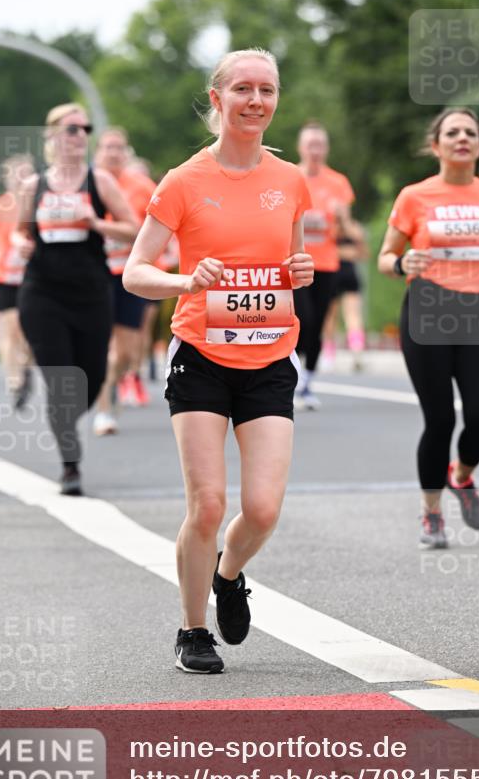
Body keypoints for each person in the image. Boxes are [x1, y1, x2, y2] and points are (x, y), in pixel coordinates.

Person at [123, 48, 314, 673]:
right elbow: (135, 273)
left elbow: (291, 260)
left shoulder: (290, 182)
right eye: (243, 90)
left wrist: (301, 271)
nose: (256, 100)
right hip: (200, 356)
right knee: (207, 504)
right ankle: (192, 629)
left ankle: (229, 575)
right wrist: (186, 282)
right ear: (217, 98)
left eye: (267, 89)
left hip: (269, 357)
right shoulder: (183, 182)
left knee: (262, 509)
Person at [16, 103, 136, 495]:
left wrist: (96, 223)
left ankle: (62, 419)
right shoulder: (34, 186)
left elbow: (134, 229)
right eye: (71, 129)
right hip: (43, 294)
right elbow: (21, 231)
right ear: (51, 136)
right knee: (62, 383)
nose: (79, 135)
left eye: (84, 128)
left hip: (91, 293)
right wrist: (21, 245)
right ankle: (71, 465)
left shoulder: (99, 181)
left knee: (94, 375)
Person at [92, 127, 151, 435]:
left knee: (126, 352)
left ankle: (112, 384)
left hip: (131, 275)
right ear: (98, 152)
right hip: (96, 275)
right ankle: (102, 410)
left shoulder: (142, 186)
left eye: (119, 148)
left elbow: (161, 223)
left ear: (126, 153)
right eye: (107, 147)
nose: (113, 153)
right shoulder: (86, 184)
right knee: (103, 345)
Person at [294, 122, 356, 409]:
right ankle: (290, 376)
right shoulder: (290, 177)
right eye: (310, 145)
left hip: (327, 263)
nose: (315, 151)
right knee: (300, 320)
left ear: (326, 149)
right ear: (301, 148)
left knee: (317, 324)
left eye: (319, 145)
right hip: (295, 262)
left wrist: (342, 219)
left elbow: (347, 230)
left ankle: (306, 382)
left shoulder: (338, 183)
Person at [0, 154, 34, 407]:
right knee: (9, 327)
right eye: (17, 173)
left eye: (27, 172)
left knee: (28, 329)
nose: (22, 178)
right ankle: (14, 381)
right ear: (7, 177)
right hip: (4, 275)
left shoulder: (37, 203)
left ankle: (25, 366)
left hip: (31, 275)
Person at [321, 216, 369, 371]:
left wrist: (339, 251)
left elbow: (363, 254)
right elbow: (361, 253)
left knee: (336, 316)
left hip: (338, 273)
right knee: (337, 315)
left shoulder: (334, 228)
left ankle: (342, 353)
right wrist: (348, 251)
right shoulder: (353, 228)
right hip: (339, 273)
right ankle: (347, 350)